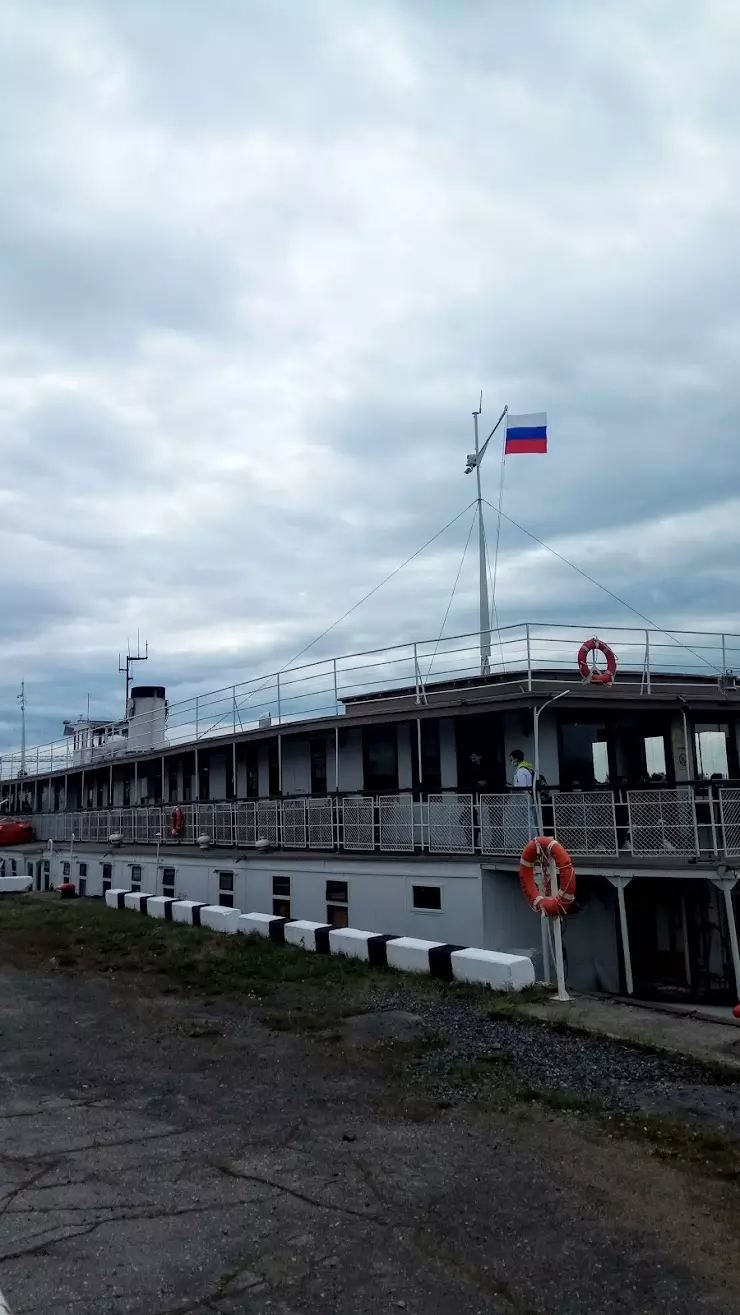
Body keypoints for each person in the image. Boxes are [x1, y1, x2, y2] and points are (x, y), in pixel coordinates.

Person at [504, 749, 537, 850]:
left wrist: (512, 787)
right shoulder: (527, 769)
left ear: (516, 758)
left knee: (529, 822)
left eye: (511, 760)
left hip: (524, 799)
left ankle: (535, 843)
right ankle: (534, 843)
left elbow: (522, 787)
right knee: (530, 820)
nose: (511, 762)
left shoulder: (521, 771)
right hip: (529, 797)